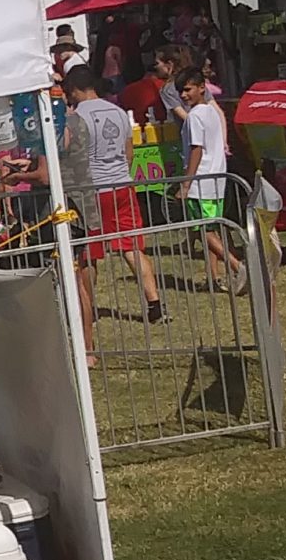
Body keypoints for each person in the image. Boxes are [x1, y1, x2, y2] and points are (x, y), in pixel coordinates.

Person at [61, 63, 165, 348]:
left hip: (93, 191)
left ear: (72, 90)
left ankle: (88, 310)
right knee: (131, 246)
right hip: (122, 185)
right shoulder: (118, 112)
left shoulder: (76, 117)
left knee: (89, 255)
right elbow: (128, 152)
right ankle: (154, 302)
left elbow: (70, 156)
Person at [178, 69, 248, 295]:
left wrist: (187, 183)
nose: (183, 95)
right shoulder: (212, 112)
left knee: (202, 230)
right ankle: (214, 276)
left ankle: (238, 267)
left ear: (201, 88)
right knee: (210, 229)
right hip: (216, 177)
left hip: (201, 181)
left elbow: (196, 149)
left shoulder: (196, 116)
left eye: (188, 89)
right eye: (181, 90)